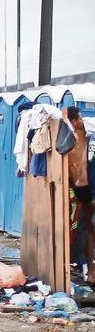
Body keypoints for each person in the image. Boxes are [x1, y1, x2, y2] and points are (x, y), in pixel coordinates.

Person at [67, 106, 94, 284]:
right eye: (79, 118)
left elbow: (81, 166)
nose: (82, 121)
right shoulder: (77, 139)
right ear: (74, 120)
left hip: (83, 188)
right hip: (82, 188)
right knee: (84, 228)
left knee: (87, 228)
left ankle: (88, 269)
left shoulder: (85, 137)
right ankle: (86, 267)